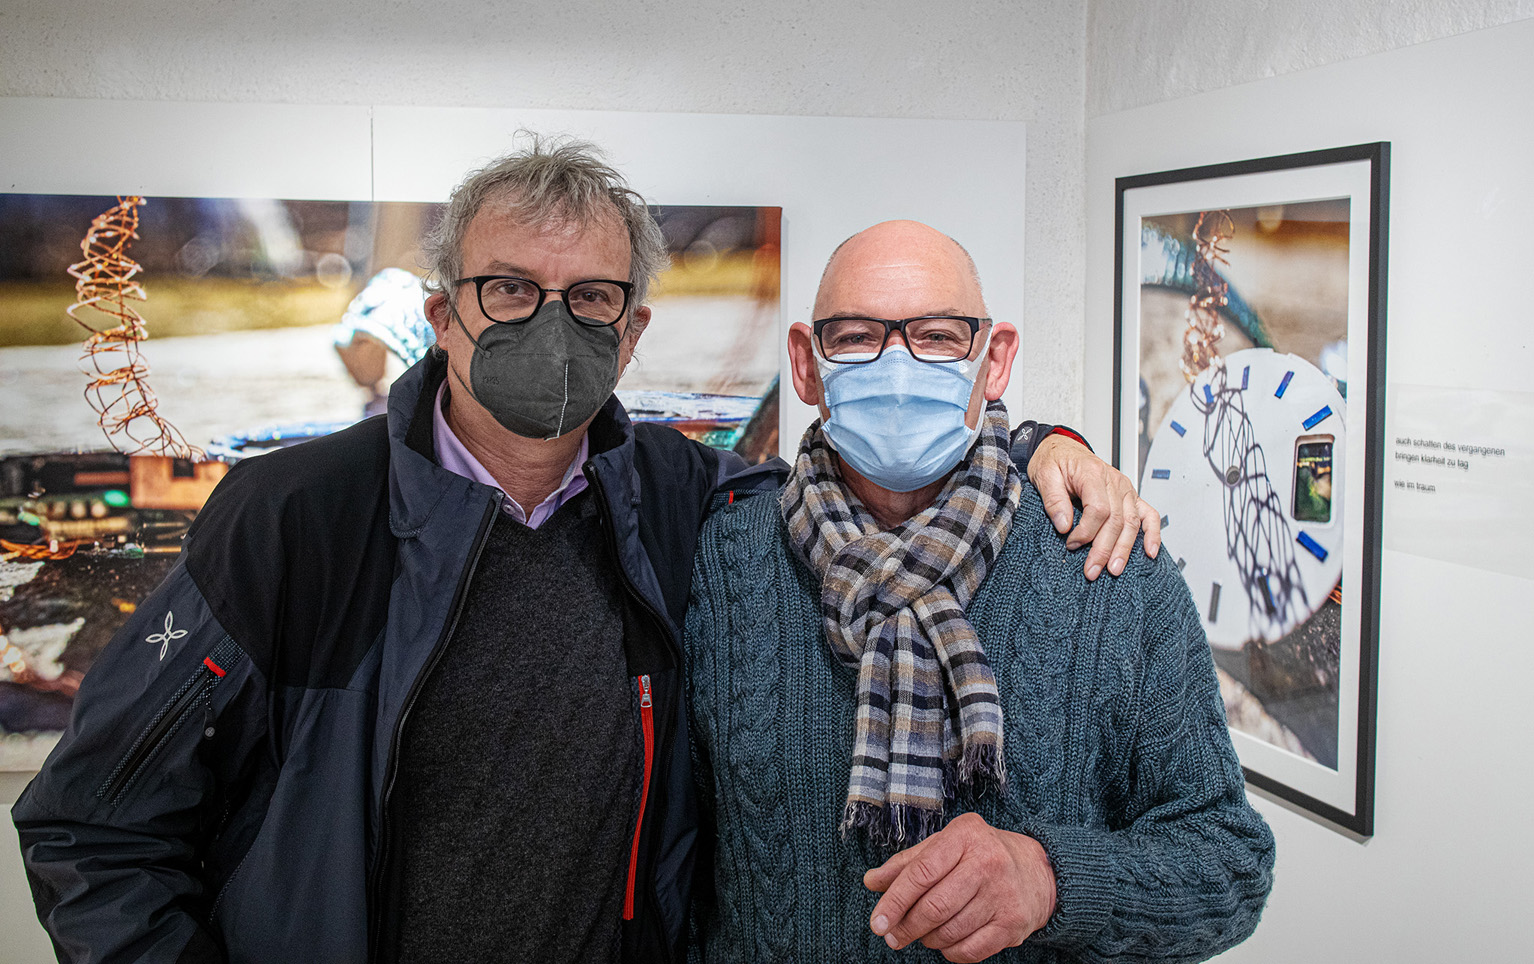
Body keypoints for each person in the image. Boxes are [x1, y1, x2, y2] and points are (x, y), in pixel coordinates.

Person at [14, 140, 1155, 964]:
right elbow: (92, 823)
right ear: (442, 314)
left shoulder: (679, 501)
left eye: (591, 297)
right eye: (509, 289)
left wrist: (1041, 444)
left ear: (632, 330)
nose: (548, 324)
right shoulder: (294, 516)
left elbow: (859, 483)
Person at [684, 220, 1276, 963]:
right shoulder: (727, 563)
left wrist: (1052, 880)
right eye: (857, 337)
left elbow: (1230, 861)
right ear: (806, 363)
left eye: (937, 337)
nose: (897, 367)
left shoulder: (1109, 567)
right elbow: (676, 859)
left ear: (993, 361)